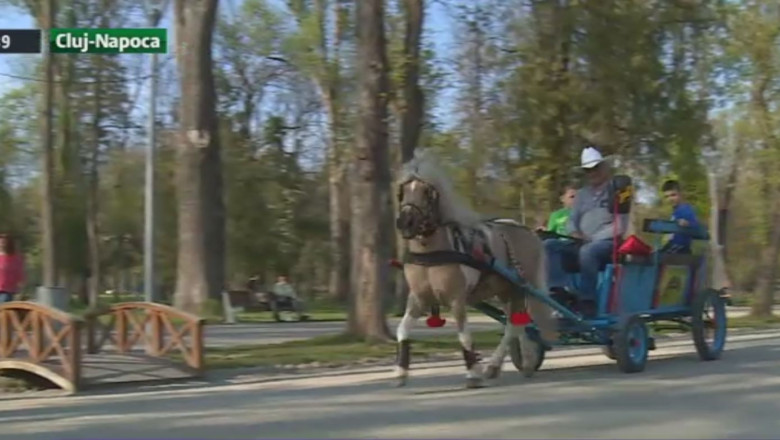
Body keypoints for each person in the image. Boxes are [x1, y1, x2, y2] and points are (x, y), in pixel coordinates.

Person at [543, 146, 629, 317]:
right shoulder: (582, 195)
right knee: (549, 245)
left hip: (608, 244)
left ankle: (587, 301)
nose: (592, 173)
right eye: (588, 170)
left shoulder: (618, 191)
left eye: (595, 168)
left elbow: (620, 225)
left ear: (604, 167)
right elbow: (571, 220)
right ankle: (559, 292)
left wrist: (593, 238)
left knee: (588, 251)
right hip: (581, 242)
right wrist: (574, 232)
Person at [660, 180, 700, 254]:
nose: (670, 199)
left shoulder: (685, 209)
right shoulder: (676, 212)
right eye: (666, 197)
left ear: (681, 194)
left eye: (673, 195)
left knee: (653, 257)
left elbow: (695, 225)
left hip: (680, 248)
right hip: (673, 246)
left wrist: (687, 223)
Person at [0, 234, 25, 303]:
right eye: (1, 242)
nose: (2, 244)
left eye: (4, 242)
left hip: (7, 291)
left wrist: (20, 291)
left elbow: (20, 275)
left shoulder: (15, 259)